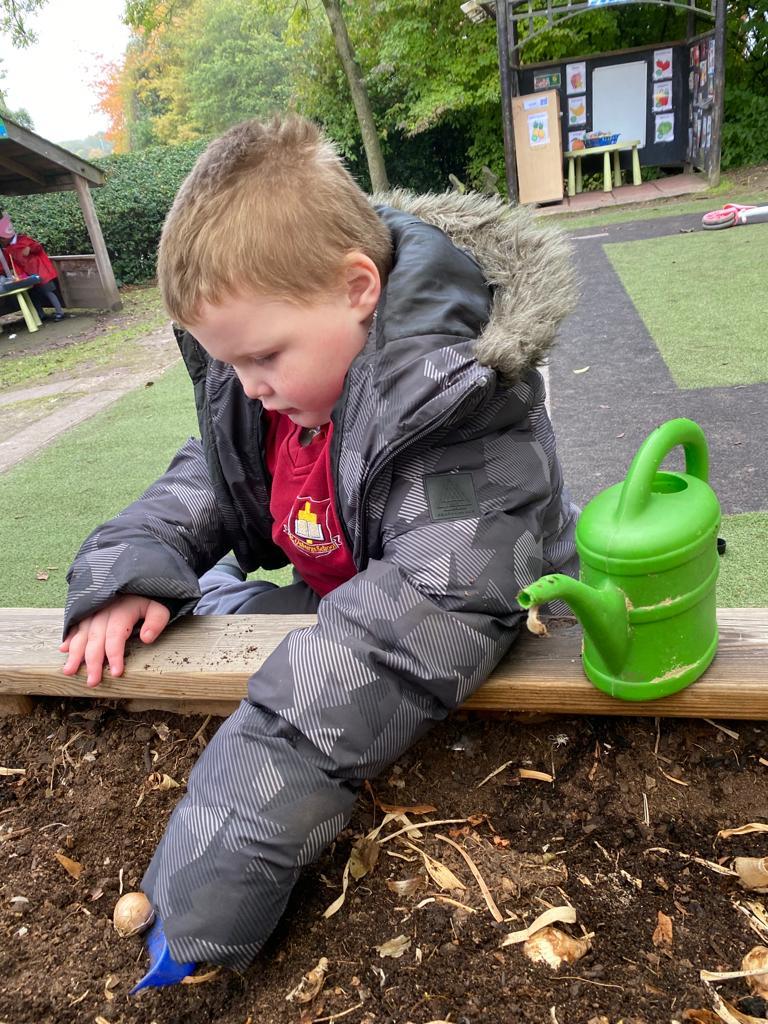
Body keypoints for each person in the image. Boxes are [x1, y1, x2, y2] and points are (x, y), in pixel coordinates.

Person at [60, 115, 580, 975]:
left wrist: (212, 870)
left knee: (333, 682)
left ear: (356, 287)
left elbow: (395, 639)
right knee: (206, 603)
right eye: (229, 365)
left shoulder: (465, 420)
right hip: (356, 601)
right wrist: (129, 570)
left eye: (264, 356)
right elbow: (203, 483)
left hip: (496, 632)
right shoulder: (282, 399)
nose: (250, 388)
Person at [0, 211, 65, 321]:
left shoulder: (24, 239)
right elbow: (8, 262)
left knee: (48, 291)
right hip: (25, 275)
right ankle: (40, 314)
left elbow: (37, 247)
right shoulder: (8, 248)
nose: (1, 242)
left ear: (5, 237)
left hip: (40, 271)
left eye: (1, 239)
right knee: (32, 294)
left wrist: (30, 249)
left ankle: (59, 312)